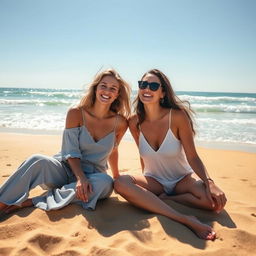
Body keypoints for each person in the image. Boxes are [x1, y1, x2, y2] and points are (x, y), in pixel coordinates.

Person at [114, 69, 227, 240]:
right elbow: (142, 154)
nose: (147, 89)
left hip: (182, 180)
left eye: (153, 86)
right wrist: (145, 184)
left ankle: (167, 200)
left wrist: (208, 182)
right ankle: (185, 219)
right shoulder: (134, 121)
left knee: (213, 203)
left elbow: (193, 156)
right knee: (120, 183)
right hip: (155, 181)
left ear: (162, 93)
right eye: (143, 84)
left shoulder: (177, 117)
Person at [0, 69, 131, 214]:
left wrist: (117, 176)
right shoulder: (75, 113)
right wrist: (80, 178)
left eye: (113, 88)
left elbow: (114, 149)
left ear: (117, 94)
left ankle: (33, 201)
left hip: (93, 176)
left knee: (106, 183)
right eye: (103, 86)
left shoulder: (120, 123)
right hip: (64, 170)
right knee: (36, 160)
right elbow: (71, 151)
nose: (107, 91)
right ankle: (2, 202)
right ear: (96, 88)